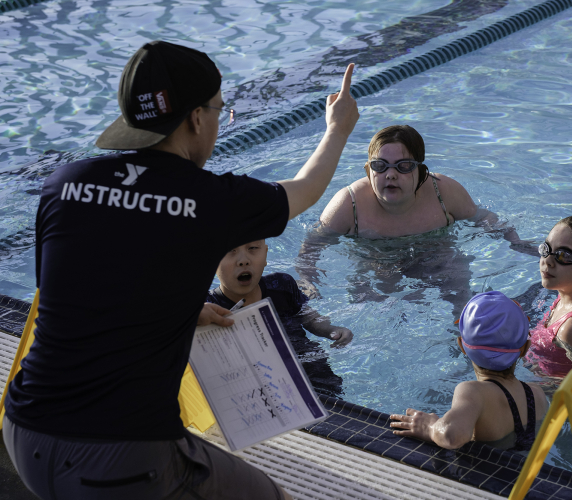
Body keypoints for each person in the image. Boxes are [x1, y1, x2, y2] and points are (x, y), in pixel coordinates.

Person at [2, 41, 359, 500]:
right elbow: (305, 189)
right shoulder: (210, 201)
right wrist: (338, 127)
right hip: (121, 457)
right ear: (195, 118)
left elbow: (75, 298)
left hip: (25, 433)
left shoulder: (63, 185)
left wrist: (184, 312)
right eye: (219, 110)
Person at [390, 291, 548, 451]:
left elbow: (451, 436)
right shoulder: (537, 394)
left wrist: (430, 427)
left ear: (462, 346)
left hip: (483, 467)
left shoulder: (473, 393)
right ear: (525, 349)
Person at [206, 239, 353, 396]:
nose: (243, 260)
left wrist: (331, 330)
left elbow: (308, 317)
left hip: (310, 366)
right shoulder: (208, 309)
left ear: (265, 255)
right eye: (230, 250)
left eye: (253, 248)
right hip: (257, 381)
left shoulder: (282, 285)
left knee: (333, 400)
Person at [525, 216, 572, 378]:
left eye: (563, 255)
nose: (548, 261)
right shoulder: (563, 296)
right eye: (546, 249)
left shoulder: (568, 329)